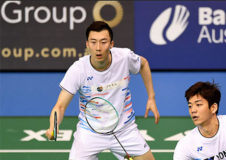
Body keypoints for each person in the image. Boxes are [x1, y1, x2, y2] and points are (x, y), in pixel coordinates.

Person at [45, 21, 160, 160]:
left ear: (111, 44)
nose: (98, 48)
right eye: (93, 42)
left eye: (103, 42)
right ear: (87, 44)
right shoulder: (78, 70)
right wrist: (53, 126)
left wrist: (151, 98)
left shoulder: (124, 57)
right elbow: (60, 106)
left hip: (124, 129)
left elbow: (143, 64)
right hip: (90, 132)